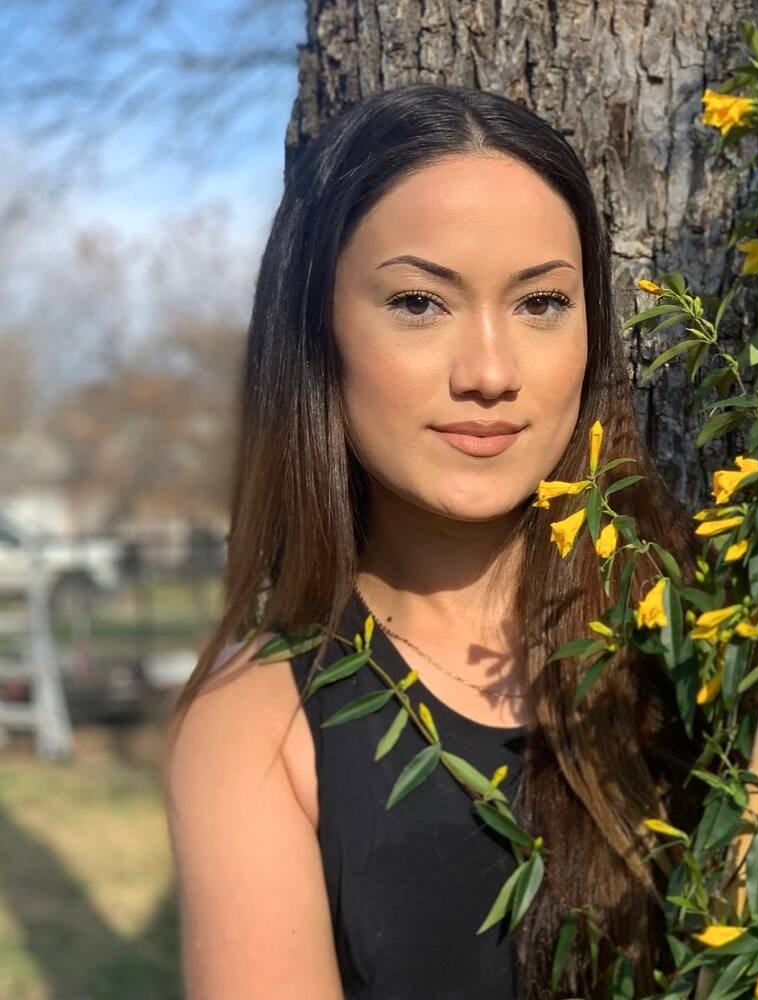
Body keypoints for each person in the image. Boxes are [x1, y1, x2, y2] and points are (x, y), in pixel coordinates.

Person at [164, 82, 698, 1000]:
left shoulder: (711, 637)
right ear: (316, 330)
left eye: (540, 304)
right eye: (418, 303)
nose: (490, 373)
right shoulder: (261, 726)